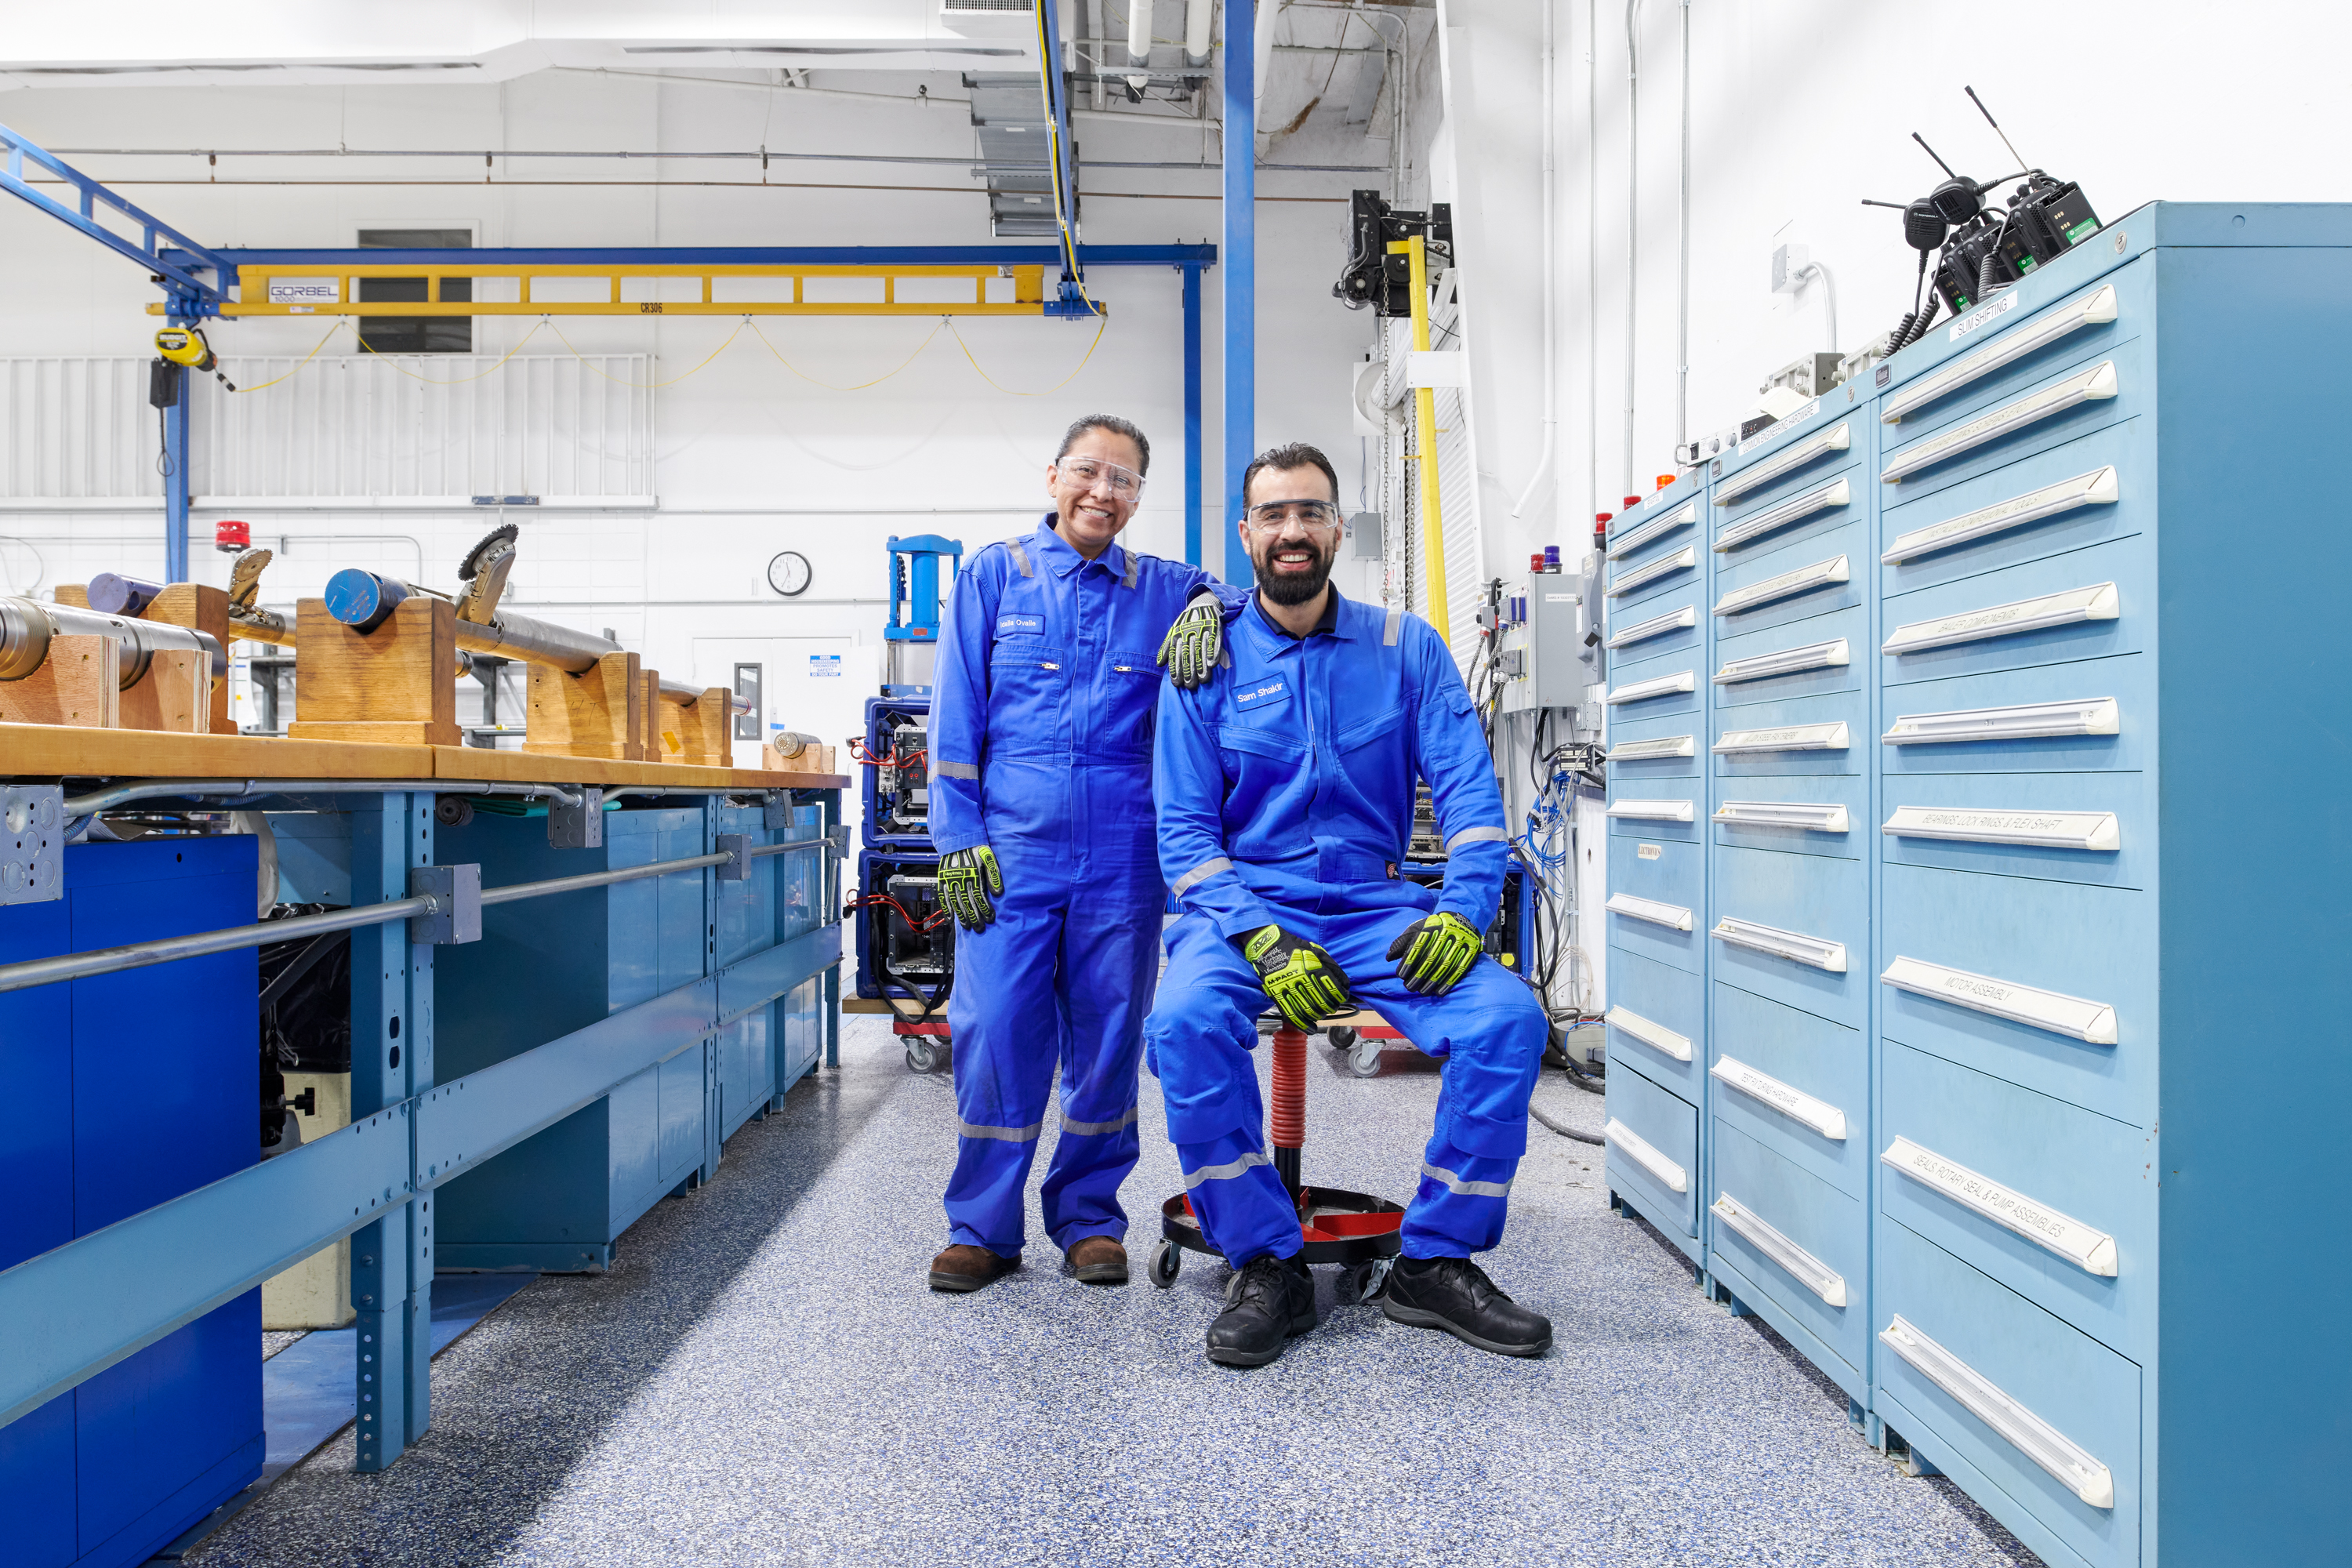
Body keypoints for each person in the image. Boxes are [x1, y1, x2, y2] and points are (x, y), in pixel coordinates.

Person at [1143, 441, 1553, 1367]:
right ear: (1246, 534)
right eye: (1275, 514)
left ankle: (1435, 1261)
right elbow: (1185, 838)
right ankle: (1265, 1260)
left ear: (1338, 529)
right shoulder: (1199, 664)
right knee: (1181, 1023)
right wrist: (1260, 939)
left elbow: (1471, 798)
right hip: (1244, 912)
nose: (1294, 530)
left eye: (1312, 512)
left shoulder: (1406, 650)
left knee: (1506, 1019)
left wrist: (1464, 907)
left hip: (1376, 907)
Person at [925, 414, 1240, 1293]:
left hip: (1124, 850)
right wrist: (956, 835)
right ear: (1053, 476)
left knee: (1108, 1037)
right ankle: (981, 1227)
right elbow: (956, 714)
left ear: (1140, 498)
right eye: (1090, 472)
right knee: (992, 1032)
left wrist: (1213, 607)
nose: (1104, 491)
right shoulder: (996, 574)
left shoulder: (1164, 587)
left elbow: (1247, 600)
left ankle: (1090, 1218)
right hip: (1010, 852)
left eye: (1126, 480)